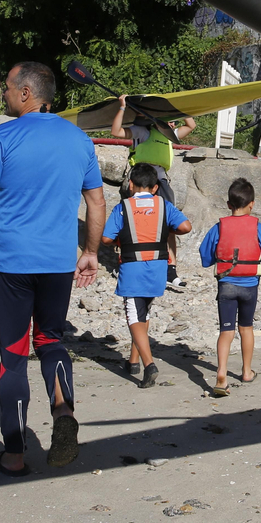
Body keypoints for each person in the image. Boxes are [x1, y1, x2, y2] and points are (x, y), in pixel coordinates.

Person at [0, 62, 106, 476]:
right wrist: (90, 251)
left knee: (13, 357)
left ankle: (13, 455)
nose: (4, 94)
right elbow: (97, 203)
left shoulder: (2, 136)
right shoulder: (79, 140)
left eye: (8, 88)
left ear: (27, 94)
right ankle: (63, 411)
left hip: (12, 264)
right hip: (56, 264)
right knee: (50, 339)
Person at [101, 164, 191, 388]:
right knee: (144, 311)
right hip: (158, 267)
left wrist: (122, 240)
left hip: (133, 267)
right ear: (154, 188)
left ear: (130, 185)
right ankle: (133, 361)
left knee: (133, 317)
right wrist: (165, 231)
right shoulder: (163, 205)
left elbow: (105, 238)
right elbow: (186, 227)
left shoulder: (123, 207)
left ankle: (149, 364)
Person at [197, 176, 261, 397]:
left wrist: (215, 260)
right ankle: (247, 371)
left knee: (226, 330)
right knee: (246, 328)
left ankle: (221, 373)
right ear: (252, 204)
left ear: (229, 204)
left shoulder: (219, 226)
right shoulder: (257, 227)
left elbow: (205, 255)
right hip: (250, 285)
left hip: (226, 285)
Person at [109, 96, 195, 291]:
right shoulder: (143, 131)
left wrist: (178, 109)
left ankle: (170, 270)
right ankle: (126, 262)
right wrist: (122, 108)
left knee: (170, 224)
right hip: (141, 179)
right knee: (134, 222)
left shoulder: (169, 134)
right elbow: (116, 131)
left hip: (161, 181)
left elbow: (191, 124)